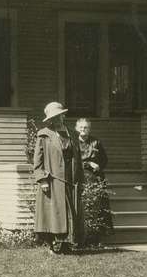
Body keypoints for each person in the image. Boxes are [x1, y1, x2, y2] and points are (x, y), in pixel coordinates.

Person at [32, 101, 83, 252]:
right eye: (54, 117)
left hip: (71, 179)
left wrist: (80, 179)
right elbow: (38, 160)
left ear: (63, 115)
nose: (58, 119)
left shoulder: (72, 134)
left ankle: (66, 244)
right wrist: (42, 179)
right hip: (53, 180)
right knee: (54, 213)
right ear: (50, 119)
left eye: (60, 115)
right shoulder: (44, 135)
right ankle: (53, 244)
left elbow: (78, 158)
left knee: (69, 212)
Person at [75, 118, 108, 182]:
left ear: (89, 129)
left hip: (94, 174)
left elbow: (104, 159)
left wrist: (99, 166)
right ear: (76, 128)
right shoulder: (73, 142)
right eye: (80, 127)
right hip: (78, 175)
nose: (83, 129)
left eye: (85, 127)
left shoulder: (96, 142)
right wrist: (88, 163)